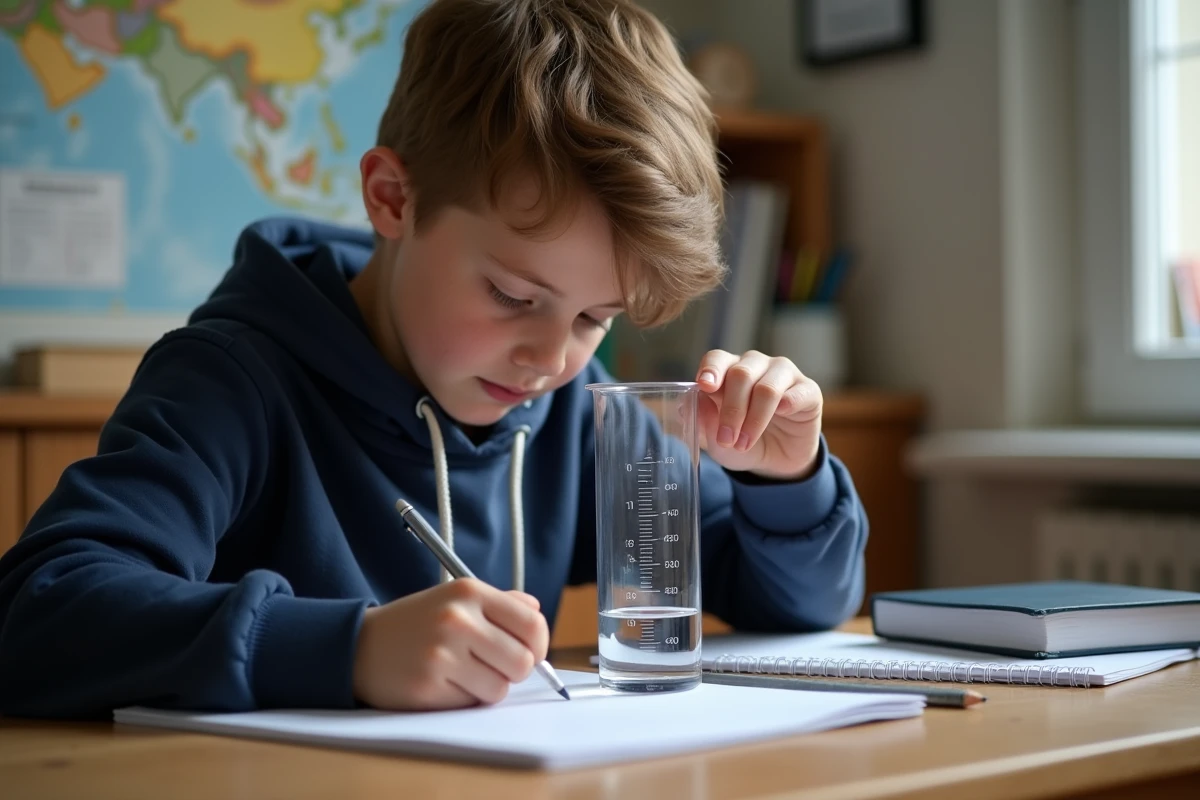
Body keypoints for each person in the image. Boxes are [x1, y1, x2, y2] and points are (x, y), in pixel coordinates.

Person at [0, 0, 867, 718]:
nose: (549, 356)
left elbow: (794, 602)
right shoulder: (229, 380)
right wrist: (349, 650)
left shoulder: (569, 402)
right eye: (514, 296)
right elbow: (39, 613)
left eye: (596, 316)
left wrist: (786, 485)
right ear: (392, 199)